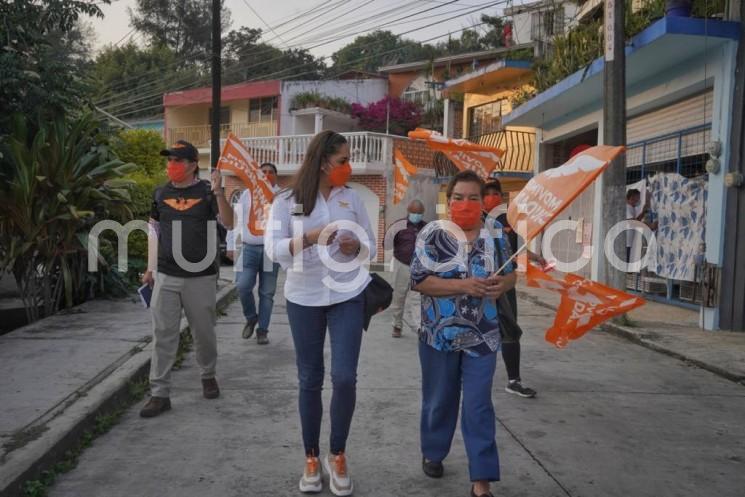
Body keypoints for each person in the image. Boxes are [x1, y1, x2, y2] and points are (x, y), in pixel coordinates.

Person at [266, 131, 376, 496]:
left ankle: (337, 453)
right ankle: (311, 456)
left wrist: (355, 243)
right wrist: (310, 237)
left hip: (348, 294)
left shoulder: (352, 199)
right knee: (310, 379)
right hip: (304, 296)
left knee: (344, 377)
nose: (349, 166)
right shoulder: (288, 199)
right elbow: (274, 250)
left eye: (348, 159)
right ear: (323, 161)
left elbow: (370, 247)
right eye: (343, 160)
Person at [411, 170, 517, 497]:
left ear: (483, 201)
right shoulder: (432, 234)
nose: (465, 203)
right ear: (449, 199)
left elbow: (512, 274)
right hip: (438, 335)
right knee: (439, 400)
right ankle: (433, 450)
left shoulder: (496, 233)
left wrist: (504, 285)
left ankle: (481, 480)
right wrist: (463, 285)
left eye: (473, 197)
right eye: (459, 197)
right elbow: (420, 280)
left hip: (482, 337)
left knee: (477, 405)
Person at [139, 140, 232, 418]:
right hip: (166, 274)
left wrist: (220, 193)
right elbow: (153, 230)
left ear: (192, 165)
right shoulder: (160, 193)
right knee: (163, 335)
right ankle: (159, 393)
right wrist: (150, 267)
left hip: (200, 276)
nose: (171, 166)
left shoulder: (207, 192)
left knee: (203, 333)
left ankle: (207, 374)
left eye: (177, 161)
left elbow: (229, 222)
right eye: (169, 160)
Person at [483, 179, 540, 399]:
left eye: (496, 193)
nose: (493, 197)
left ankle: (514, 380)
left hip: (504, 285)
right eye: (488, 193)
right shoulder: (474, 222)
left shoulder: (507, 221)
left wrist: (536, 257)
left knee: (509, 330)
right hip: (478, 285)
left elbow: (517, 250)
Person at [216, 162, 280, 345]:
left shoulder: (282, 196)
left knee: (267, 293)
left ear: (276, 176)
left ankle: (262, 330)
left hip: (270, 251)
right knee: (243, 286)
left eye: (271, 172)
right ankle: (251, 317)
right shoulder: (247, 194)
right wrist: (230, 244)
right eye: (263, 172)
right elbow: (235, 220)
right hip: (248, 247)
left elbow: (291, 221)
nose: (267, 175)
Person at [389, 199, 426, 338]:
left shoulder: (427, 227)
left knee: (417, 298)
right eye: (414, 212)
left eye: (419, 213)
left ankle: (418, 327)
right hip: (401, 265)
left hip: (420, 267)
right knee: (399, 296)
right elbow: (388, 242)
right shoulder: (399, 226)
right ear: (408, 212)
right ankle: (397, 325)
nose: (417, 215)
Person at [625, 188, 646, 263]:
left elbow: (635, 220)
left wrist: (643, 212)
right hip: (626, 240)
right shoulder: (627, 207)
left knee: (628, 257)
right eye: (638, 197)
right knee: (626, 258)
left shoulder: (631, 208)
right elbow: (633, 222)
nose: (638, 200)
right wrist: (647, 225)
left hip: (629, 240)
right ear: (632, 197)